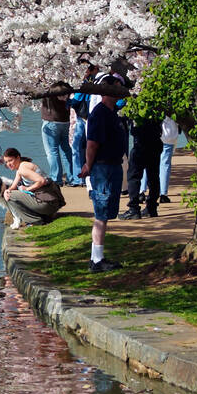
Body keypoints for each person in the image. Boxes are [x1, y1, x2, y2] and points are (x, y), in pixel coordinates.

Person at [79, 73, 129, 272]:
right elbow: (92, 144)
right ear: (106, 91)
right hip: (103, 167)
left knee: (107, 213)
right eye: (115, 88)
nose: (119, 92)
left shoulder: (112, 112)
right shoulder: (99, 113)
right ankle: (97, 261)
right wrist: (88, 166)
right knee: (101, 212)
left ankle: (97, 257)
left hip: (113, 165)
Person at [0, 149, 66, 228]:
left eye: (10, 160)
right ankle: (44, 217)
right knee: (9, 193)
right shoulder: (21, 168)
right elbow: (13, 186)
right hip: (51, 203)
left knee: (10, 196)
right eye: (6, 162)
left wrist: (27, 189)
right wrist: (7, 190)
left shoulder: (23, 169)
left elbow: (41, 181)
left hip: (48, 204)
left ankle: (35, 220)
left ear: (17, 157)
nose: (8, 164)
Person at [122, 114, 162, 218]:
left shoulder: (138, 106)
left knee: (134, 176)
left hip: (141, 142)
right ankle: (151, 207)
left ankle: (134, 208)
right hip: (155, 141)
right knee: (153, 176)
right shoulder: (157, 107)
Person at [39, 81, 75, 185]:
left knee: (52, 152)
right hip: (66, 122)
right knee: (67, 151)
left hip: (51, 122)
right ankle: (71, 178)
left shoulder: (50, 88)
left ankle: (56, 179)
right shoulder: (68, 87)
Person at [69, 57, 96, 186]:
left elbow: (76, 101)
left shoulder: (85, 83)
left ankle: (78, 177)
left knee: (77, 146)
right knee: (85, 147)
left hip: (84, 118)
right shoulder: (93, 82)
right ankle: (84, 176)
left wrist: (69, 102)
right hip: (88, 118)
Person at [159, 116, 179, 202]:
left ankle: (142, 191)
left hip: (156, 134)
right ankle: (163, 193)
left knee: (148, 162)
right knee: (165, 164)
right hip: (168, 135)